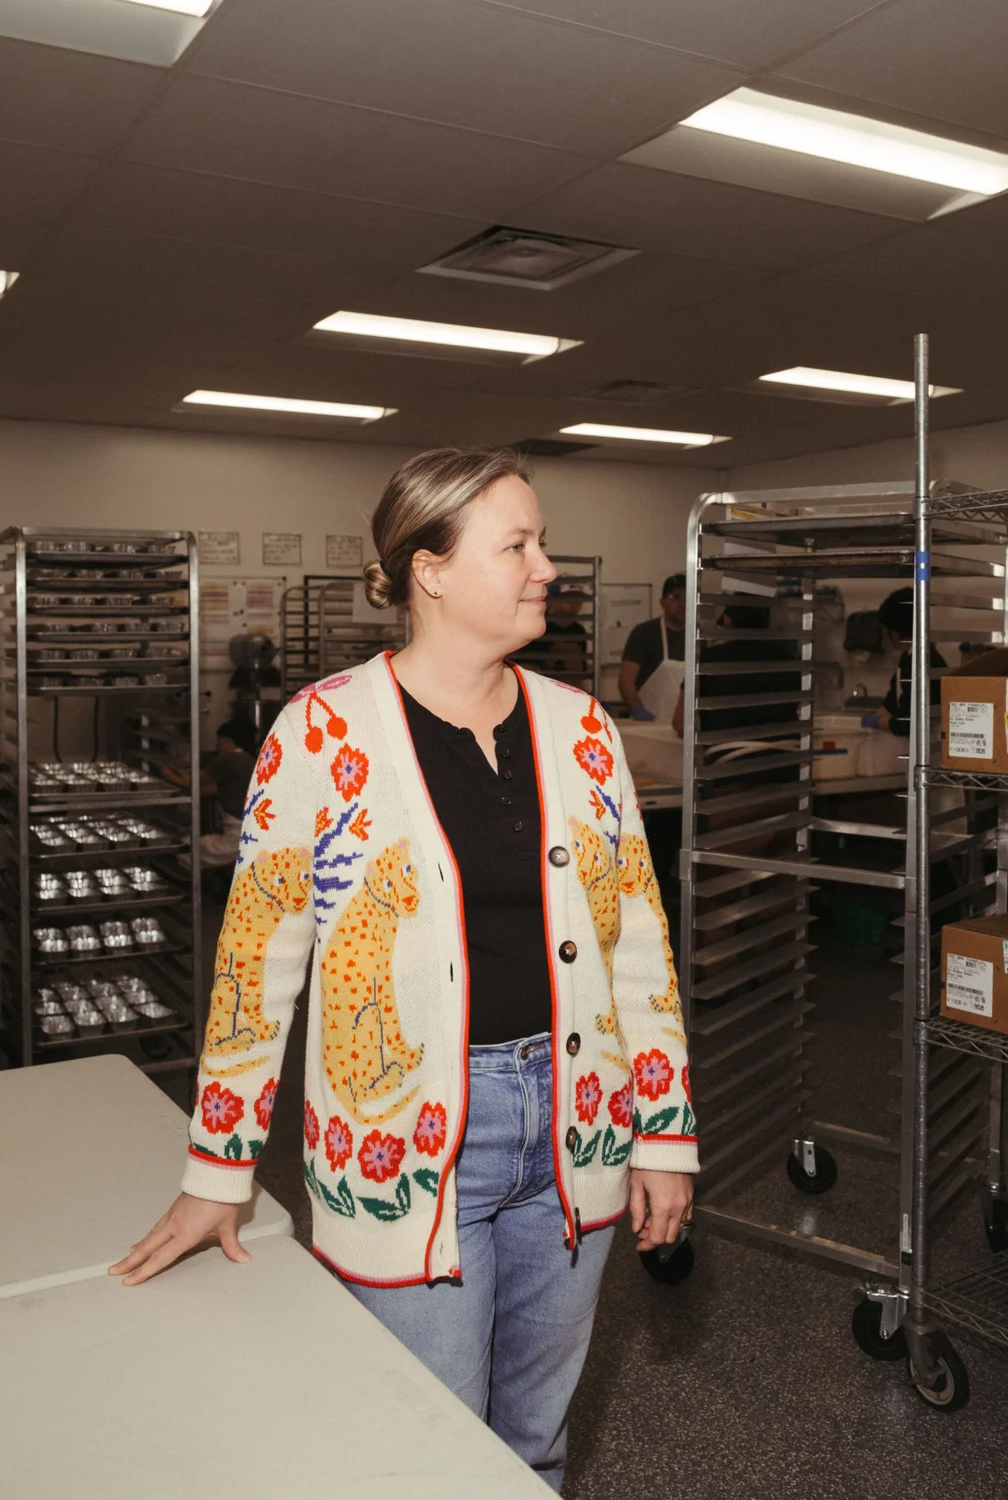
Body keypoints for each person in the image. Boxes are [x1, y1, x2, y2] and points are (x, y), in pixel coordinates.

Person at [110, 448, 697, 1492]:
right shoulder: (321, 732)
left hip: (578, 1124)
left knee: (534, 1445)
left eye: (540, 541)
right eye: (516, 544)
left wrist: (662, 1131)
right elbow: (256, 962)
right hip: (401, 1145)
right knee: (422, 1454)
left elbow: (637, 946)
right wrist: (218, 1170)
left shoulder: (583, 732)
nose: (545, 566)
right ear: (429, 570)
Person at [162, 718, 257, 867]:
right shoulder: (249, 761)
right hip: (251, 833)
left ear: (228, 741)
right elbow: (209, 790)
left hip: (237, 836)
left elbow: (196, 782)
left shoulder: (228, 757)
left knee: (187, 849)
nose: (216, 746)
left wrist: (166, 772)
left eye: (218, 741)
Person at [873, 587, 946, 736]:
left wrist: (881, 722)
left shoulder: (923, 661)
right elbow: (893, 701)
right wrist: (875, 718)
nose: (883, 634)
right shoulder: (908, 657)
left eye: (885, 628)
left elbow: (912, 723)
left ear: (895, 630)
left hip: (929, 744)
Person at [619, 574, 686, 721]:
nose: (682, 604)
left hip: (684, 725)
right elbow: (626, 682)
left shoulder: (697, 637)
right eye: (675, 597)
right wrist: (637, 709)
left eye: (687, 599)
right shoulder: (644, 633)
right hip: (649, 725)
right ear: (662, 602)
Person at [511, 578, 590, 685]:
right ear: (552, 601)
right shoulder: (536, 627)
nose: (574, 605)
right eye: (568, 600)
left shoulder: (578, 631)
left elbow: (581, 669)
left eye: (578, 600)